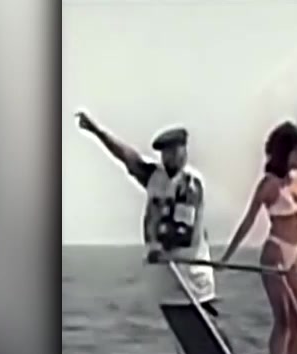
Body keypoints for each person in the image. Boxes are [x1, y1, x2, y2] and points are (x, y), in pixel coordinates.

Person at [74, 112, 218, 318]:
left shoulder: (190, 184)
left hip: (190, 279)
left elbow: (183, 231)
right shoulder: (155, 177)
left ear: (184, 151)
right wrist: (97, 131)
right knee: (182, 329)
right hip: (166, 278)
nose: (168, 157)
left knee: (202, 328)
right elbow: (127, 157)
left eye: (173, 151)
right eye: (165, 152)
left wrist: (158, 248)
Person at [220, 121, 297, 354]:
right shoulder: (269, 184)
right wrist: (227, 256)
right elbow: (248, 220)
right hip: (276, 251)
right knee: (283, 320)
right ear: (287, 152)